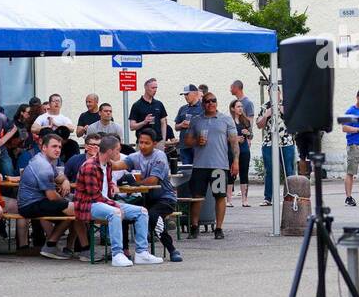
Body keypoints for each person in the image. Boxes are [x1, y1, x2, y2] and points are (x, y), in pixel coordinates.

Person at [73, 135, 156, 266]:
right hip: (89, 205)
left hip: (104, 202)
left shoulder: (108, 165)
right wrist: (115, 205)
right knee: (115, 213)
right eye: (117, 150)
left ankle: (142, 252)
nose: (119, 153)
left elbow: (107, 184)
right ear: (110, 151)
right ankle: (117, 254)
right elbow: (94, 195)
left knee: (142, 211)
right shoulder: (90, 166)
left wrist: (111, 186)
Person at [124, 128, 182, 261]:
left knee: (153, 215)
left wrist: (134, 184)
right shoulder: (135, 156)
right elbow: (120, 164)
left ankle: (172, 249)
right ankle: (125, 251)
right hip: (146, 198)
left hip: (165, 198)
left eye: (146, 143)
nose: (142, 146)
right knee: (123, 212)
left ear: (154, 144)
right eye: (140, 142)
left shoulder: (159, 156)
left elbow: (152, 181)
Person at [187, 91, 238, 240]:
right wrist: (197, 141)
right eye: (207, 101)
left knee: (220, 196)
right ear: (203, 104)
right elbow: (187, 141)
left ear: (217, 103)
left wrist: (235, 161)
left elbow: (234, 142)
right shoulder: (196, 120)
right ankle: (194, 226)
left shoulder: (226, 120)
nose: (211, 103)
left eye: (213, 101)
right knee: (197, 197)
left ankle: (219, 228)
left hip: (219, 164)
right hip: (200, 165)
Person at [16, 132, 74, 259]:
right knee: (75, 209)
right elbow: (52, 197)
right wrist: (65, 200)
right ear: (44, 147)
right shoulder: (42, 165)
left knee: (74, 207)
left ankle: (54, 246)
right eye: (54, 146)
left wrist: (65, 181)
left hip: (36, 201)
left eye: (59, 147)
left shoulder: (45, 160)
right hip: (29, 205)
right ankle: (51, 246)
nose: (57, 150)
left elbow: (59, 177)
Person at [256, 93, 295, 206]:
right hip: (269, 142)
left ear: (279, 93)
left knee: (289, 170)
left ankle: (290, 196)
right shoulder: (265, 106)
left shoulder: (287, 104)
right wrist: (265, 115)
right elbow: (259, 125)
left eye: (276, 92)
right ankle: (268, 198)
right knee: (270, 171)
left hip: (285, 142)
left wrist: (283, 111)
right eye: (271, 92)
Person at [227, 98, 252, 207]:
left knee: (244, 173)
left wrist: (248, 133)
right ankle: (229, 200)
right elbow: (224, 136)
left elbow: (251, 135)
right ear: (232, 108)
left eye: (241, 106)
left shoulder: (245, 121)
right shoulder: (228, 121)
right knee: (231, 174)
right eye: (238, 106)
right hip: (232, 150)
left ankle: (244, 200)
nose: (240, 108)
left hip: (245, 150)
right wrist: (234, 139)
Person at [174, 84, 204, 168]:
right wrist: (181, 125)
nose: (185, 97)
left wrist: (191, 124)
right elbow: (176, 127)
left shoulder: (203, 108)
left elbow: (208, 125)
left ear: (195, 93)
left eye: (187, 94)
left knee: (198, 170)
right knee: (186, 171)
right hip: (184, 146)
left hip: (197, 146)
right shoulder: (182, 109)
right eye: (184, 95)